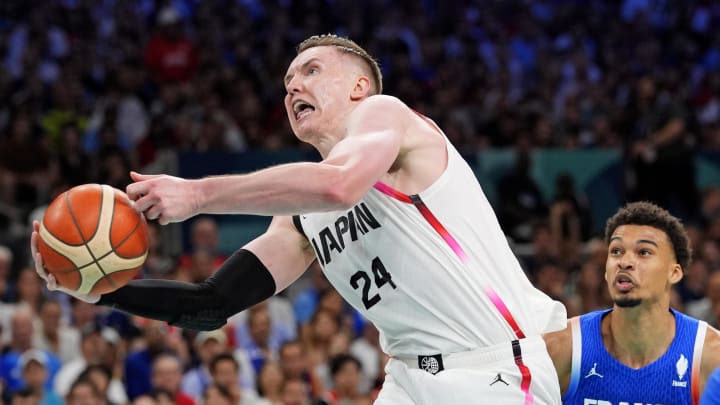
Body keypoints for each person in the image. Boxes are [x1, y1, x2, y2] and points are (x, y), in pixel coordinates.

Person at [32, 34, 566, 404]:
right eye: (288, 81)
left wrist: (198, 194)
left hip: (491, 369)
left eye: (312, 72)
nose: (292, 87)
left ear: (359, 87)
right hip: (408, 381)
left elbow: (339, 185)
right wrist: (102, 292)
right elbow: (211, 305)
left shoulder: (384, 115)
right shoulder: (300, 216)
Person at [544, 201, 720, 404]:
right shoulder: (561, 348)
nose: (624, 262)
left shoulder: (711, 356)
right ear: (606, 271)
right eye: (616, 251)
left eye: (643, 252)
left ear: (674, 272)